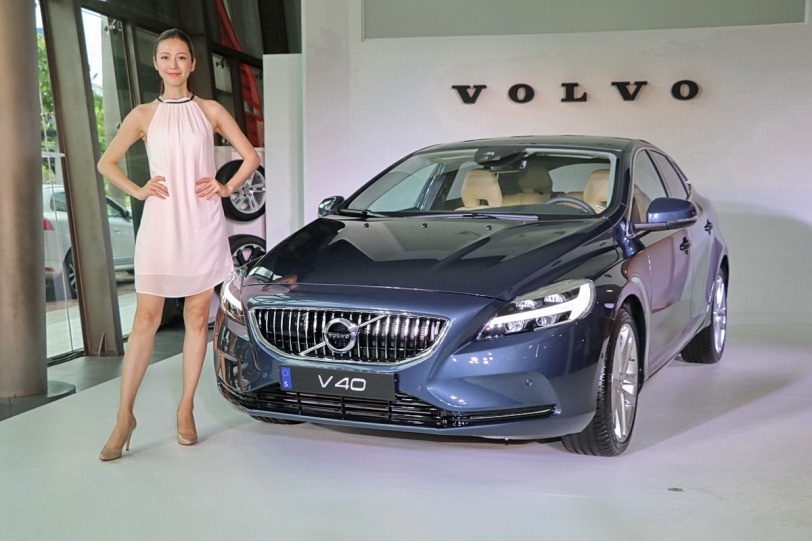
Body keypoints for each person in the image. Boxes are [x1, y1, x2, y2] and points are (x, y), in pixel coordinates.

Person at [96, 29, 260, 461]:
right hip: (161, 223)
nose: (174, 64)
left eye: (181, 57)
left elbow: (250, 157)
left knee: (196, 317)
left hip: (202, 222)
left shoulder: (210, 110)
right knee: (145, 318)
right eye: (166, 57)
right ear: (156, 63)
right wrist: (138, 190)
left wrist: (226, 188)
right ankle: (124, 416)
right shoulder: (143, 115)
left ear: (192, 64)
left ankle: (185, 408)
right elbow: (106, 162)